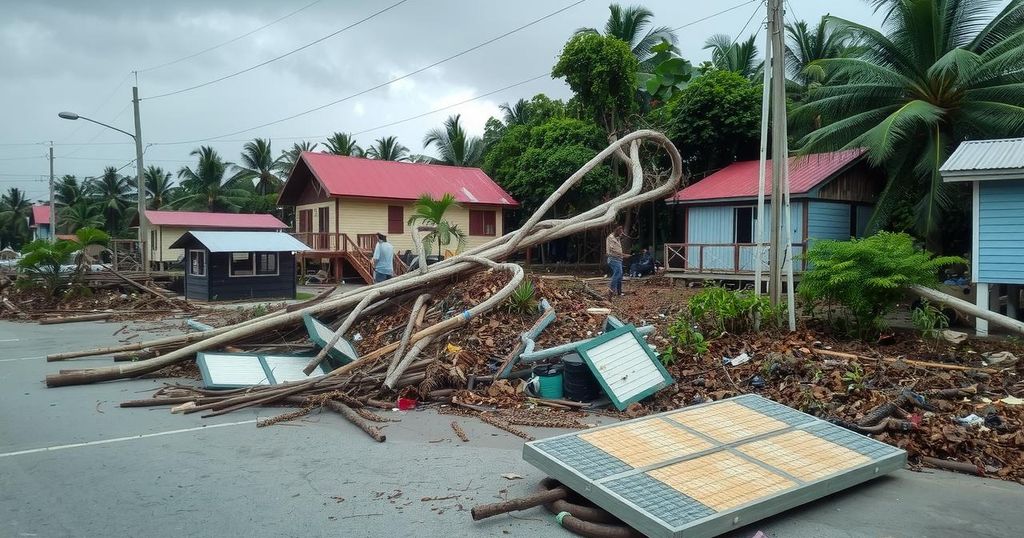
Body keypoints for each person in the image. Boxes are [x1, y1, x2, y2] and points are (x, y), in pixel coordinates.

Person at [606, 226, 624, 298]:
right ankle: (611, 291)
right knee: (618, 274)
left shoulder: (617, 238)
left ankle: (619, 292)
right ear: (616, 232)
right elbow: (612, 249)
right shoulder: (610, 238)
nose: (620, 235)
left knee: (620, 275)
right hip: (613, 259)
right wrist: (623, 254)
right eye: (620, 233)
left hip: (618, 259)